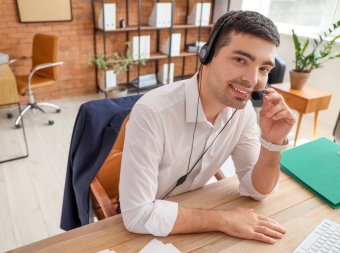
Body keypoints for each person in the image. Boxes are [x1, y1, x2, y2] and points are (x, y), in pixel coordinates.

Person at [119, 10, 295, 244]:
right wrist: (223, 220)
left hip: (189, 213)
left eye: (263, 69)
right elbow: (136, 214)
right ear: (207, 55)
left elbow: (257, 191)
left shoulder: (241, 114)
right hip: (142, 230)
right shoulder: (153, 112)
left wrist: (272, 143)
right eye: (240, 60)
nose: (253, 80)